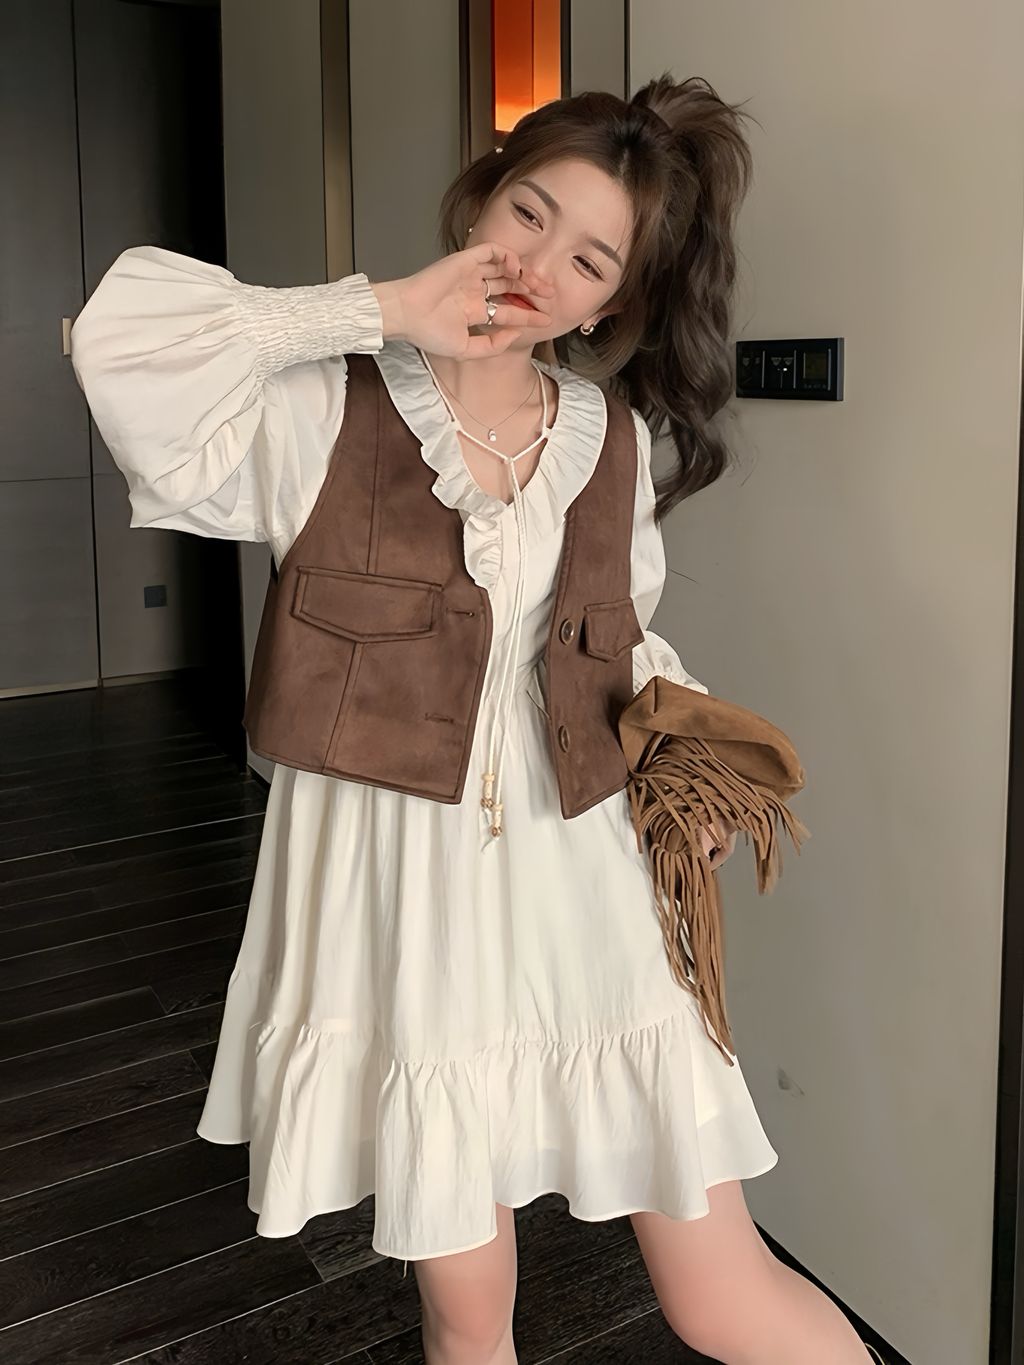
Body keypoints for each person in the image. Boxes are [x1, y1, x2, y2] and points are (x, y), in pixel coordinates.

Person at [71, 71, 881, 1365]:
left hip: (586, 885)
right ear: (479, 200)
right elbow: (121, 343)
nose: (538, 264)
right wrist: (384, 307)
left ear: (611, 303)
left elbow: (623, 636)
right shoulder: (323, 404)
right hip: (402, 900)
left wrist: (683, 771)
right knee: (467, 1306)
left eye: (590, 258)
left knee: (722, 1293)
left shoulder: (609, 438)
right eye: (528, 210)